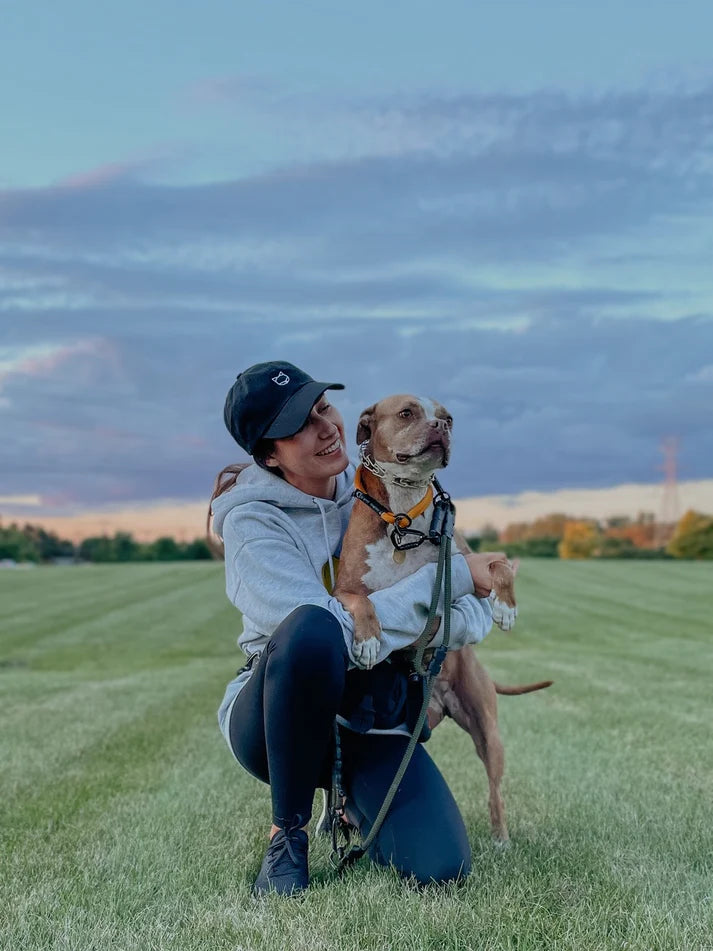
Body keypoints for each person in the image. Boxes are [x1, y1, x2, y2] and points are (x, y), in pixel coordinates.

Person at [209, 361, 502, 897]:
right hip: (281, 721)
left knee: (440, 867)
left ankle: (351, 800)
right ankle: (288, 835)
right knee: (312, 629)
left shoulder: (394, 486)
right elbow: (326, 634)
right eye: (299, 424)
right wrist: (452, 578)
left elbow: (476, 609)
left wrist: (444, 612)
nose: (326, 427)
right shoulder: (253, 524)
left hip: (371, 715)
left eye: (324, 407)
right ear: (269, 454)